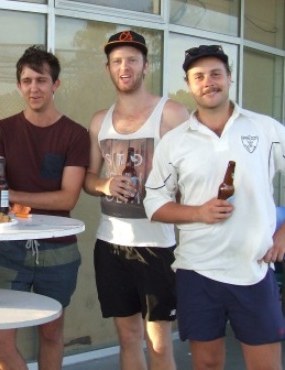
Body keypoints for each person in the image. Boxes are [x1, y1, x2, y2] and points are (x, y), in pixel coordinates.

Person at [144, 45, 285, 369]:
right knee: (206, 364)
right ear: (188, 84)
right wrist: (197, 212)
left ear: (229, 78)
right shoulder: (176, 141)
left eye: (215, 74)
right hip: (198, 271)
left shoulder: (264, 130)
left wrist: (282, 235)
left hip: (253, 268)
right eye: (199, 76)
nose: (208, 82)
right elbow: (154, 202)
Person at [0, 45, 90, 370]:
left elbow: (68, 198)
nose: (33, 88)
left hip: (58, 251)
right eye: (26, 81)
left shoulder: (75, 134)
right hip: (9, 248)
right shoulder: (2, 128)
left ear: (56, 84)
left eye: (41, 80)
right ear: (18, 85)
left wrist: (9, 196)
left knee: (52, 334)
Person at [83, 30, 189, 370]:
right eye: (117, 61)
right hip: (110, 243)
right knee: (127, 337)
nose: (124, 66)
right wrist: (105, 185)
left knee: (159, 344)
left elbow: (193, 178)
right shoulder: (100, 120)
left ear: (146, 65)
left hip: (157, 244)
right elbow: (87, 179)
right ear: (108, 69)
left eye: (131, 59)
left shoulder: (171, 113)